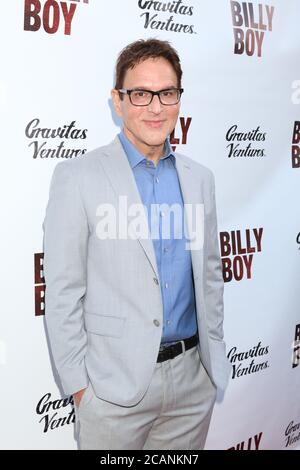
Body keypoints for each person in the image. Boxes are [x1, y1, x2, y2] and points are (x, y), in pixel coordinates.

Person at [42, 38, 231, 450]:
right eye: (141, 93)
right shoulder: (78, 177)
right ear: (118, 100)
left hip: (192, 382)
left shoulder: (200, 178)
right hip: (112, 392)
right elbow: (62, 291)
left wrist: (210, 357)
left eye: (167, 93)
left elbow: (211, 275)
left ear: (179, 98)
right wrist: (80, 389)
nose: (156, 106)